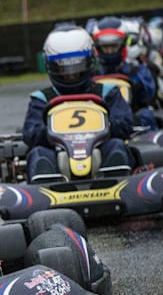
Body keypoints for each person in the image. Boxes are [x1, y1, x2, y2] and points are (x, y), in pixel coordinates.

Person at [22, 26, 135, 183]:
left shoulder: (107, 92)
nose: (71, 75)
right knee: (39, 154)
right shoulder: (42, 99)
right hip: (57, 154)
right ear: (51, 66)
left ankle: (116, 182)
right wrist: (53, 134)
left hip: (100, 151)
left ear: (90, 62)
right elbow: (30, 133)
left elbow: (125, 124)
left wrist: (105, 127)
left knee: (116, 146)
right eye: (63, 68)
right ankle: (46, 188)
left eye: (77, 66)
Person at [92, 17, 159, 131]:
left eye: (113, 46)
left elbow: (149, 95)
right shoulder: (92, 74)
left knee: (146, 114)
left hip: (131, 120)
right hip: (98, 122)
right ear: (98, 47)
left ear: (123, 45)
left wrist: (136, 86)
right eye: (105, 47)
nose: (109, 51)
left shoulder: (137, 71)